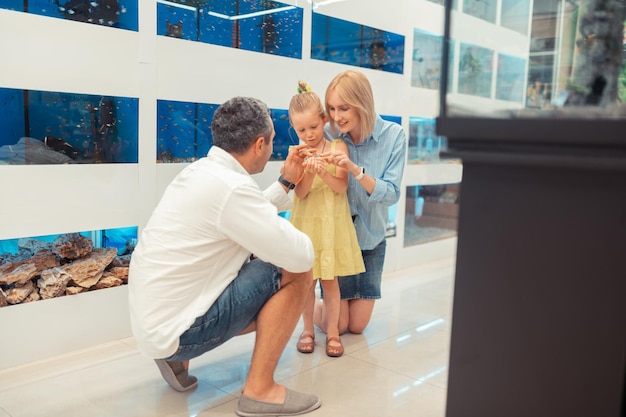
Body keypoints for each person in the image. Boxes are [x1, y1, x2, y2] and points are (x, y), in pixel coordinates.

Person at [128, 96, 322, 417]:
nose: (274, 148)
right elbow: (301, 255)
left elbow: (238, 212)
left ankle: (175, 360)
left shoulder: (202, 173)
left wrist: (286, 181)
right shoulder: (231, 188)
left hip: (154, 322)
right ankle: (260, 391)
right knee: (296, 273)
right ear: (259, 144)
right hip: (177, 330)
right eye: (273, 141)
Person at [314, 70, 407, 335]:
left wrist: (357, 171)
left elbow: (391, 194)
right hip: (337, 243)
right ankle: (306, 309)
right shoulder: (331, 137)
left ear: (362, 103)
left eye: (344, 108)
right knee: (340, 326)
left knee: (357, 326)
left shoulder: (393, 136)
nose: (336, 116)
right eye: (332, 108)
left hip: (370, 241)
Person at [287, 81, 365, 357]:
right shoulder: (296, 154)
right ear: (294, 129)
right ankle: (307, 329)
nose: (308, 134)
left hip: (331, 225)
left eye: (313, 127)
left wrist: (322, 170)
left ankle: (332, 333)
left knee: (331, 283)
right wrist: (307, 170)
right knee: (306, 282)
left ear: (323, 120)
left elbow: (341, 187)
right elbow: (302, 193)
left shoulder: (338, 147)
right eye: (301, 130)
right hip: (307, 225)